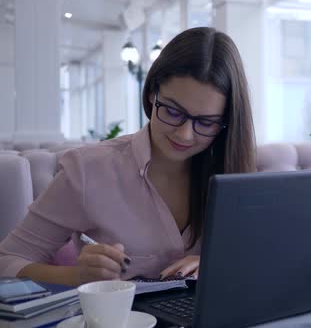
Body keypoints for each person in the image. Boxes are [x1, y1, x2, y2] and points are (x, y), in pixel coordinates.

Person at [0, 27, 256, 286]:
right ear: (152, 93)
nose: (185, 134)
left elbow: (256, 258)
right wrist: (76, 276)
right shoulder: (88, 169)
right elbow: (7, 261)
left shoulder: (231, 171)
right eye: (173, 111)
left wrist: (215, 264)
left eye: (206, 122)